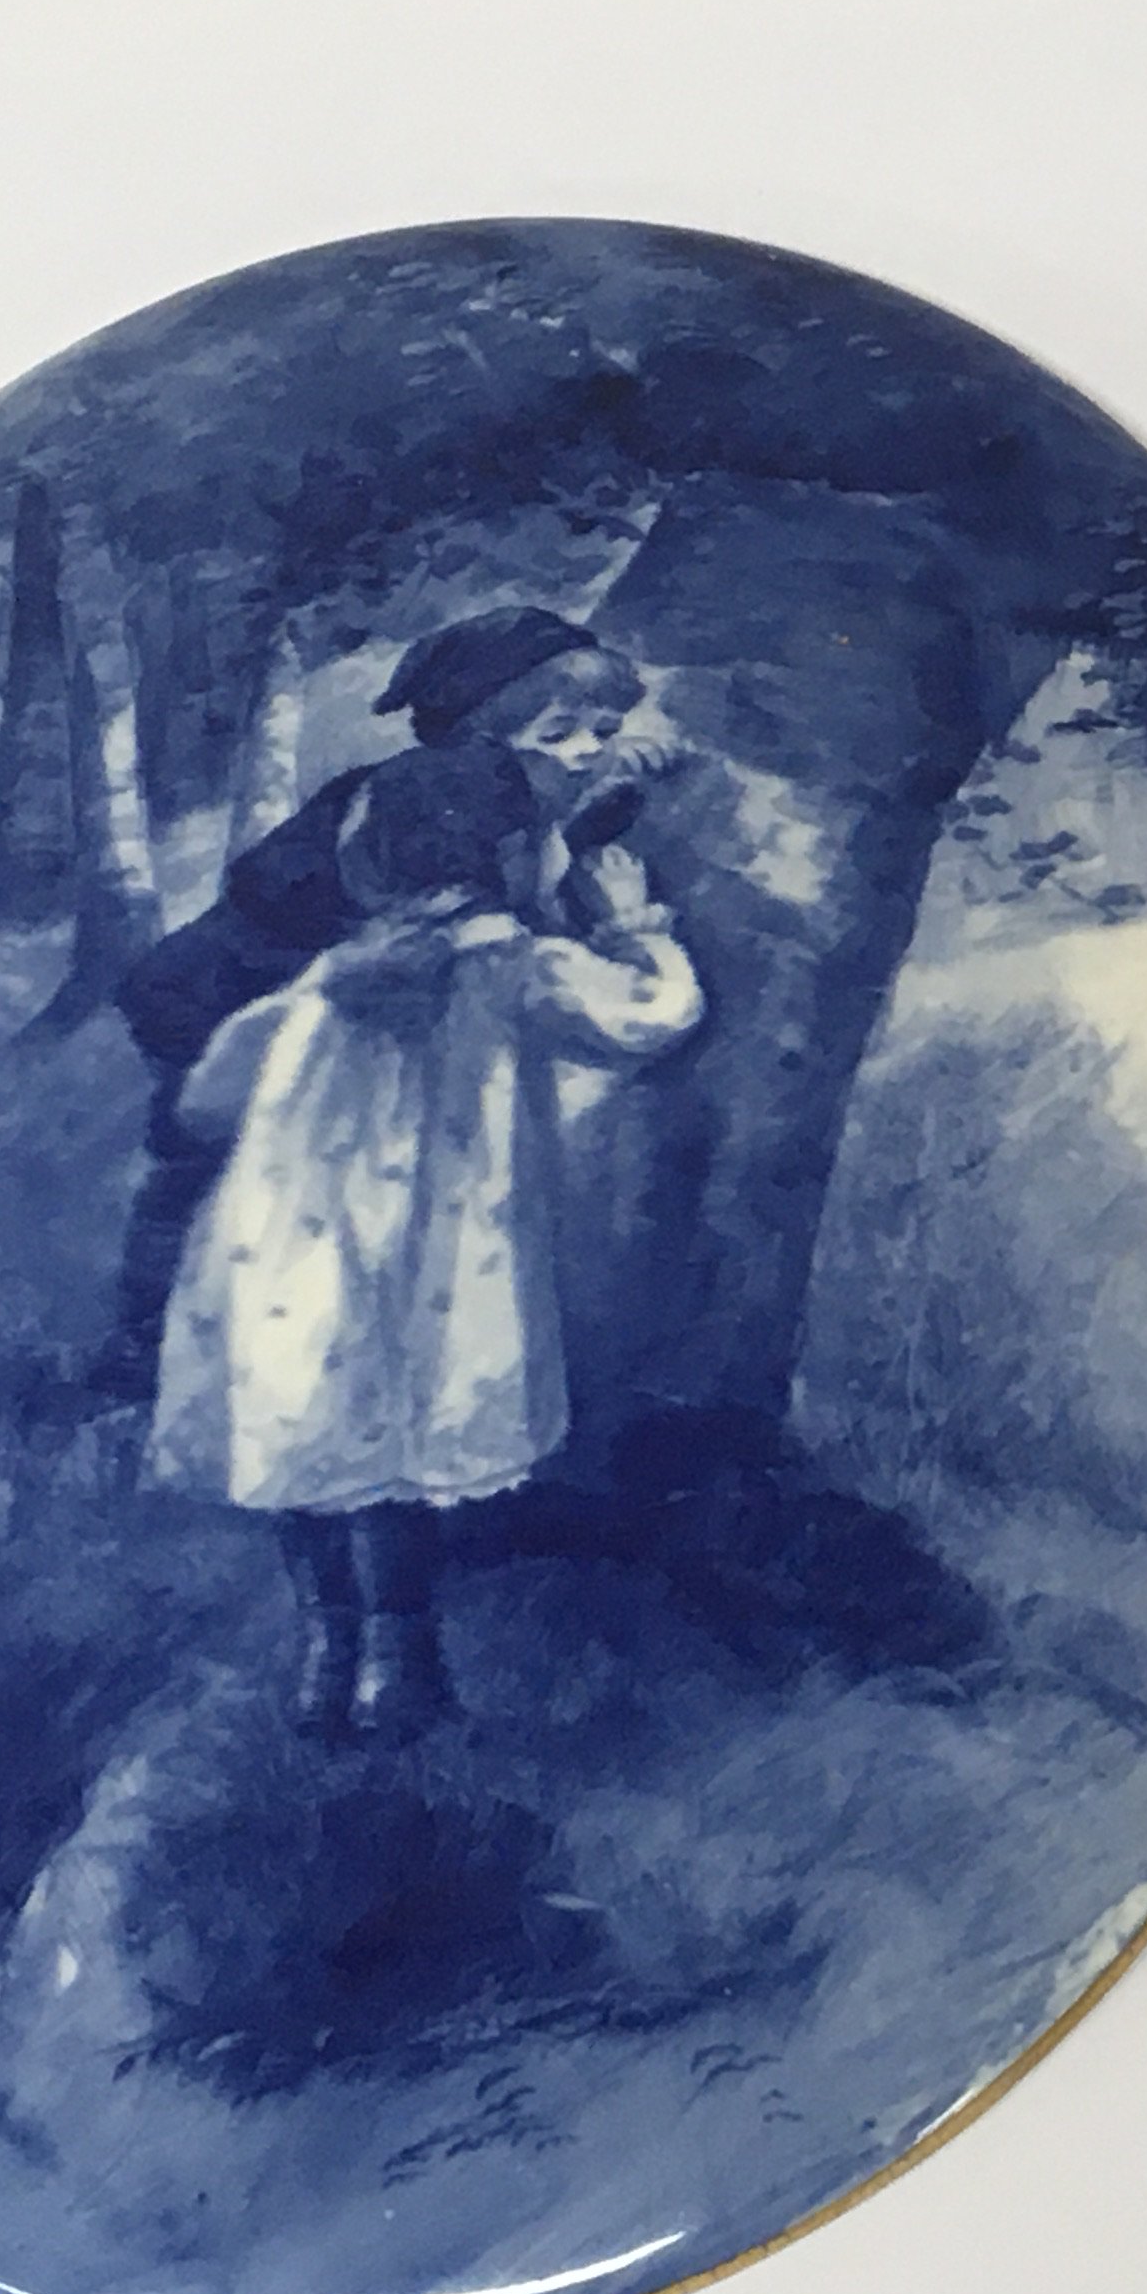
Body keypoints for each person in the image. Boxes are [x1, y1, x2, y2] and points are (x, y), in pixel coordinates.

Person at [146, 738, 704, 1742]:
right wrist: (635, 923)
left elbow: (204, 1102)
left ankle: (325, 1653)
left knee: (309, 1437)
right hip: (436, 1256)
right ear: (514, 858)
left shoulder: (333, 976)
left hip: (292, 1252)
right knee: (396, 1460)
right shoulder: (518, 968)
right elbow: (656, 1017)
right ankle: (395, 1665)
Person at [98, 607, 661, 1399]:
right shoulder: (430, 795)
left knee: (293, 1171)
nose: (587, 752)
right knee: (212, 1159)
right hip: (225, 990)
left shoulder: (487, 787)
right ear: (481, 735)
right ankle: (149, 1346)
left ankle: (264, 1345)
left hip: (315, 988)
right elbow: (474, 899)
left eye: (603, 731)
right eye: (561, 733)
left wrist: (593, 793)